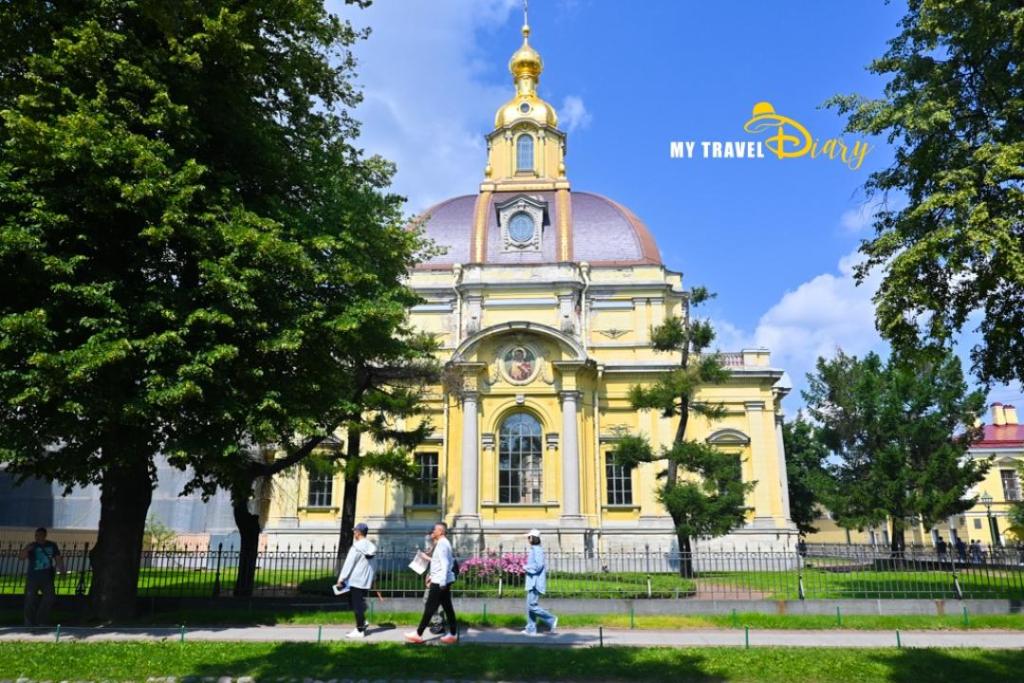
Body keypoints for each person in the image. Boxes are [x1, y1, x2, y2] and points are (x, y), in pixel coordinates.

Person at [406, 522, 457, 644]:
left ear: (441, 531)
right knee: (448, 608)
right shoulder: (442, 543)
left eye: (434, 530)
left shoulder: (442, 544)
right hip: (439, 579)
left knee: (430, 607)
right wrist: (432, 576)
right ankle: (453, 634)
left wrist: (442, 581)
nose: (432, 532)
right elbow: (437, 562)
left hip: (440, 582)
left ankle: (418, 634)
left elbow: (445, 563)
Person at [336, 522, 377, 639]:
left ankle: (360, 630)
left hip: (355, 580)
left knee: (356, 605)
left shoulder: (356, 547)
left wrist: (341, 578)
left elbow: (348, 564)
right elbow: (374, 565)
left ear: (358, 533)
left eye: (355, 531)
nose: (354, 533)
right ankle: (362, 622)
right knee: (356, 602)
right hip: (365, 580)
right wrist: (373, 578)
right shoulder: (371, 547)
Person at [19, 527, 65, 626]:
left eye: (39, 535)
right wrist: (27, 549)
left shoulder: (52, 545)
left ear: (44, 535)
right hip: (32, 578)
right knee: (30, 599)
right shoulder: (32, 546)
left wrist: (62, 570)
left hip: (47, 577)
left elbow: (57, 558)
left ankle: (42, 621)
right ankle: (29, 623)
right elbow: (21, 557)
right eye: (36, 535)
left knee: (49, 598)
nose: (37, 537)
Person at [522, 529, 557, 636]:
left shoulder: (537, 550)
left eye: (529, 537)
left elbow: (539, 566)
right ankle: (531, 629)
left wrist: (526, 567)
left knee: (532, 606)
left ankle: (551, 619)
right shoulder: (534, 549)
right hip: (532, 581)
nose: (528, 539)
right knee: (529, 606)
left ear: (532, 538)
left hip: (535, 582)